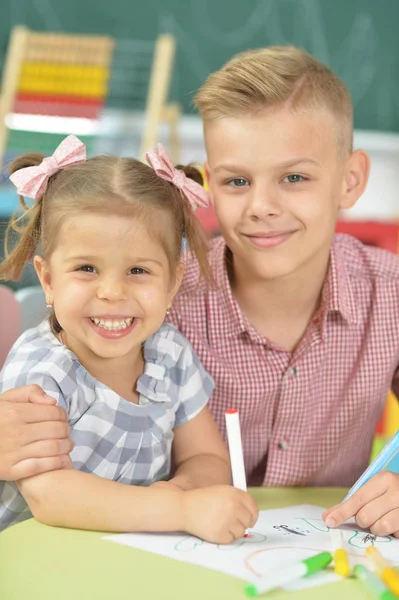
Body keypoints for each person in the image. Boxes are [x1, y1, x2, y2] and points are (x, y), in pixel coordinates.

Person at [167, 46, 399, 538]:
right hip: (179, 549)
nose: (262, 206)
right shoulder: (162, 298)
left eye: (294, 177)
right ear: (210, 184)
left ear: (350, 180)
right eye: (236, 181)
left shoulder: (390, 295)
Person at [0, 136, 258, 540]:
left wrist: (182, 492)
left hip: (130, 556)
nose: (113, 293)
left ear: (172, 282)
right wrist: (179, 509)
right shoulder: (43, 371)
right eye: (86, 268)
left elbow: (205, 456)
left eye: (138, 271)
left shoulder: (169, 353)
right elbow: (51, 495)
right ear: (48, 281)